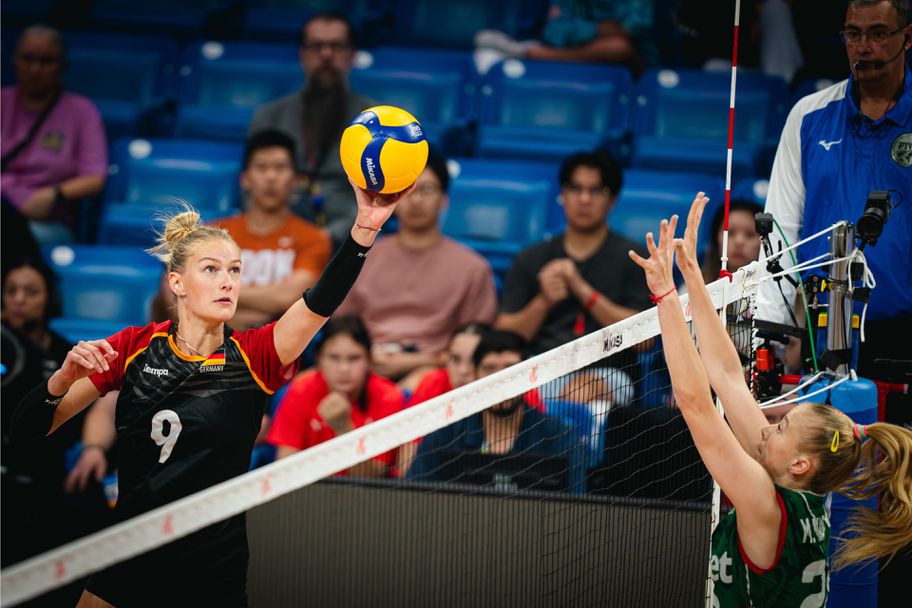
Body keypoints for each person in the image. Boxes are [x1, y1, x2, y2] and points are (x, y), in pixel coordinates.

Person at [9, 173, 408, 606]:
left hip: (212, 568)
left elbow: (319, 302)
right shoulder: (132, 348)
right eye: (211, 269)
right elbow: (26, 431)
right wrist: (59, 381)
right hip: (130, 555)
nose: (228, 281)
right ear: (177, 283)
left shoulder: (256, 356)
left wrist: (363, 230)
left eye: (235, 270)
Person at [628, 193, 912, 606]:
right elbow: (727, 376)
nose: (768, 427)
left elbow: (696, 405)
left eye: (780, 428)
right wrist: (691, 274)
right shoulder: (804, 493)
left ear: (799, 464)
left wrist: (666, 297)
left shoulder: (765, 502)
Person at [759, 0, 912, 385]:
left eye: (878, 33)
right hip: (822, 329)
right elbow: (781, 230)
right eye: (853, 34)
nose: (864, 47)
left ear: (907, 37)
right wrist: (769, 336)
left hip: (905, 334)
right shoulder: (807, 116)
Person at [336, 150, 498, 390]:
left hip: (436, 375)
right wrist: (363, 356)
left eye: (427, 189)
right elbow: (341, 327)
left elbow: (475, 343)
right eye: (406, 190)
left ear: (444, 200)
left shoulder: (473, 268)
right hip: (361, 371)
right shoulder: (362, 256)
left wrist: (426, 362)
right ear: (392, 197)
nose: (416, 200)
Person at [496, 151, 650, 397]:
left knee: (579, 392)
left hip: (609, 372)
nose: (584, 199)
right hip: (540, 369)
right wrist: (544, 301)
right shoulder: (531, 257)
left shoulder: (634, 257)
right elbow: (503, 336)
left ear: (612, 200)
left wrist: (583, 291)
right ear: (562, 194)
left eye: (596, 190)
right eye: (575, 188)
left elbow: (645, 341)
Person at [407, 330, 586, 493]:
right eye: (489, 369)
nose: (501, 381)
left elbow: (577, 506)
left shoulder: (560, 438)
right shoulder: (443, 437)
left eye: (511, 369)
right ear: (475, 376)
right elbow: (415, 498)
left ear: (529, 377)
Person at [248, 12, 373, 246]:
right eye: (316, 46)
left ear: (352, 54)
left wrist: (328, 238)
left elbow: (381, 198)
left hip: (353, 243)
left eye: (336, 46)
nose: (326, 54)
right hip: (279, 241)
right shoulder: (270, 117)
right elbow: (250, 191)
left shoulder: (375, 120)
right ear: (302, 54)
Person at [213, 129, 332, 331]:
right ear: (245, 179)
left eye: (280, 168)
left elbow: (291, 297)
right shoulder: (214, 233)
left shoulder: (315, 238)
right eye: (261, 167)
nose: (270, 176)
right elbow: (177, 293)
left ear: (295, 180)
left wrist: (215, 295)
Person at [1, 25, 107, 243]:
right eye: (28, 59)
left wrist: (54, 194)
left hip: (45, 222)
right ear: (15, 61)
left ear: (62, 65)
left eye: (46, 61)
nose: (35, 69)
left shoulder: (82, 111)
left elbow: (95, 177)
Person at [266, 314, 403, 477]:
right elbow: (285, 468)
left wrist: (343, 428)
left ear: (369, 361)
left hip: (364, 491)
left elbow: (374, 477)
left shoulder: (388, 396)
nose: (344, 368)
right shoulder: (301, 389)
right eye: (333, 358)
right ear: (319, 360)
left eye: (354, 358)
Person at [474, 0, 658, 75]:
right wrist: (597, 30)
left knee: (617, 47)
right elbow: (554, 30)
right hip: (577, 56)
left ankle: (531, 53)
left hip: (634, 71)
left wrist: (581, 32)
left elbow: (632, 27)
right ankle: (531, 53)